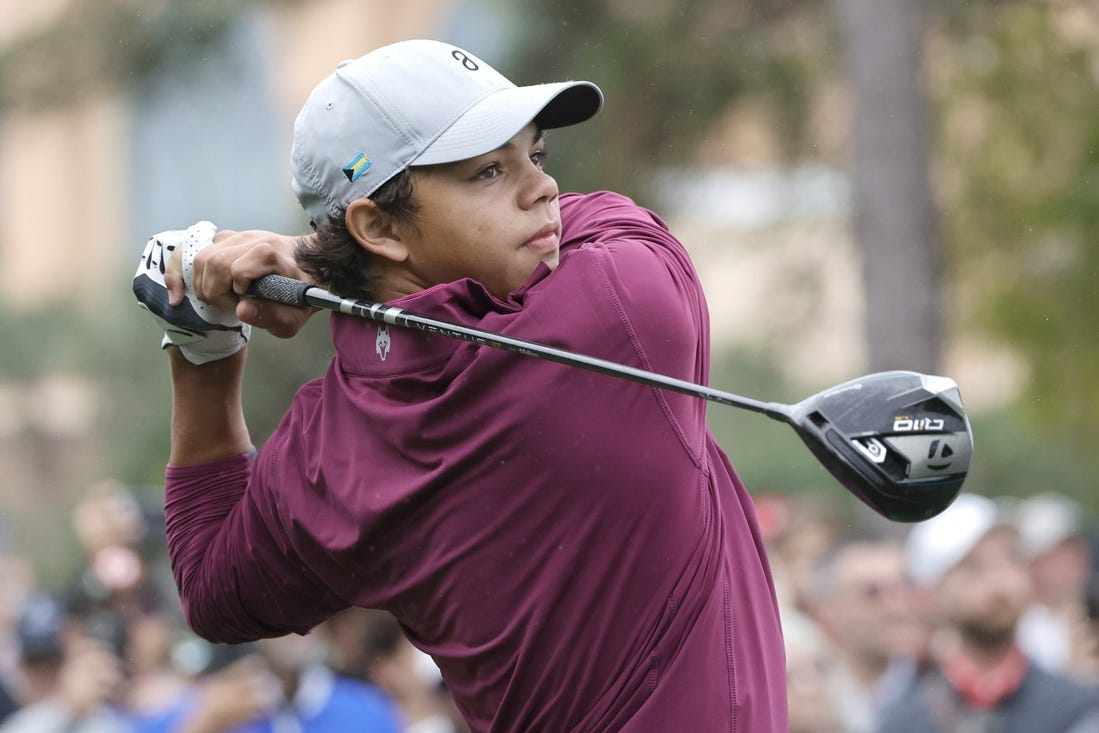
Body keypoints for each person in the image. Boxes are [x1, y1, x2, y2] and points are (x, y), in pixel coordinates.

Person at [132, 39, 787, 730]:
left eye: (535, 156)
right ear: (379, 226)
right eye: (486, 172)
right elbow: (616, 219)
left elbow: (211, 588)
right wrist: (308, 264)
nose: (542, 189)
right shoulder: (620, 308)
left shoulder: (331, 454)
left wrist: (202, 343)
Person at [876, 493, 1099, 733]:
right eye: (973, 567)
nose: (1001, 583)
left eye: (1012, 558)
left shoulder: (1077, 706)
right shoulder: (899, 716)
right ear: (930, 593)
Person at [805, 537, 926, 733]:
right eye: (872, 593)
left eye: (905, 587)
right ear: (828, 611)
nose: (898, 607)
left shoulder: (945, 687)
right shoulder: (804, 695)